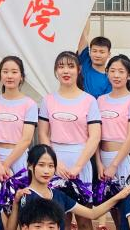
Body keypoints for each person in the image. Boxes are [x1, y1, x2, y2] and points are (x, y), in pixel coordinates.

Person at [37, 51, 101, 186]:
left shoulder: (89, 101)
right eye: (61, 67)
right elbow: (42, 133)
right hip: (53, 160)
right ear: (56, 70)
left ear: (79, 70)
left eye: (71, 66)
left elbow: (95, 136)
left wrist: (78, 166)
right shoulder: (47, 100)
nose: (66, 71)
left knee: (81, 199)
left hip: (81, 158)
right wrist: (54, 162)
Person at [0, 55, 37, 180]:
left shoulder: (30, 104)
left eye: (14, 72)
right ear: (0, 75)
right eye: (5, 72)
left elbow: (26, 139)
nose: (9, 76)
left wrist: (5, 165)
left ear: (21, 76)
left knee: (20, 191)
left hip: (19, 156)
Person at [96, 55, 130, 184]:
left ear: (129, 76)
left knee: (126, 194)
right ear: (107, 73)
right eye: (112, 71)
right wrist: (98, 163)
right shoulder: (100, 100)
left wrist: (114, 165)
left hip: (123, 159)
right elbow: (95, 135)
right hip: (102, 159)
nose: (116, 75)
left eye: (121, 72)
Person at [76, 32, 113, 98]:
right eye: (94, 51)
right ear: (90, 52)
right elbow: (84, 35)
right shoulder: (86, 62)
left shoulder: (110, 78)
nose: (97, 55)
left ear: (109, 54)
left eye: (102, 52)